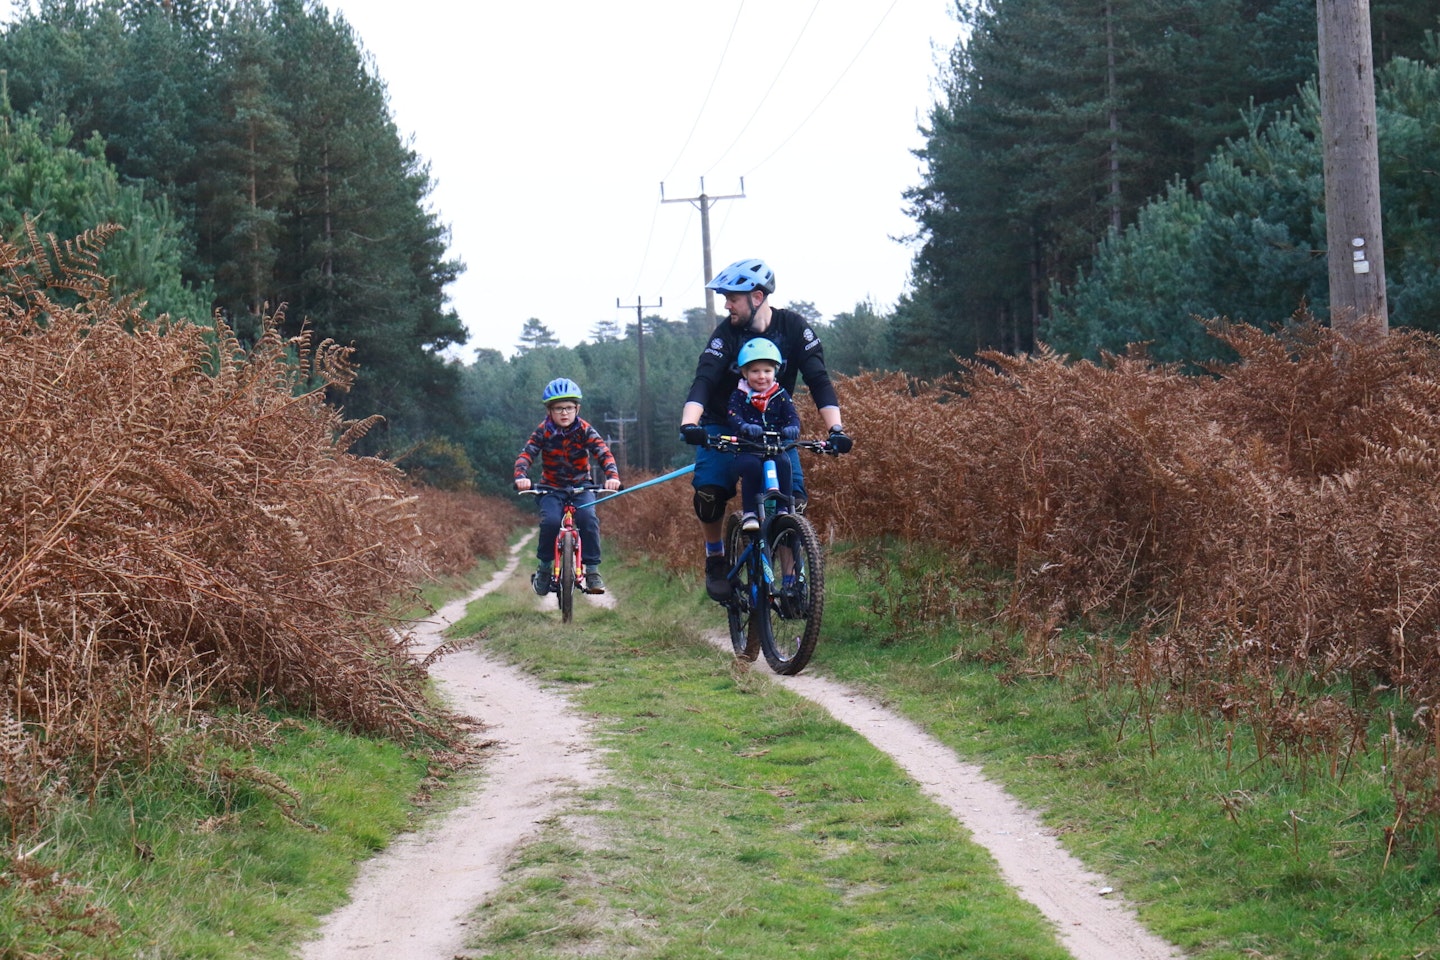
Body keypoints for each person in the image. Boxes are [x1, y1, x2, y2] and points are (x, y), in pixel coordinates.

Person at [678, 257, 853, 601]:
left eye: (732, 298)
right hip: (721, 423)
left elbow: (818, 380)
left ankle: (791, 581)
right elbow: (704, 380)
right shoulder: (725, 333)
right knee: (710, 494)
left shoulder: (793, 327)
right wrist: (690, 423)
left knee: (793, 503)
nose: (726, 305)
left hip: (772, 426)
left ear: (757, 297)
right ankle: (715, 558)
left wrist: (836, 430)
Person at [514, 377, 621, 595]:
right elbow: (527, 454)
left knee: (588, 518)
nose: (564, 413)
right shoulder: (543, 430)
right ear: (549, 411)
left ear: (577, 408)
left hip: (582, 487)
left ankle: (592, 571)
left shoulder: (584, 429)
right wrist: (521, 475)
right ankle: (544, 569)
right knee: (551, 521)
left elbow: (603, 452)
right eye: (559, 408)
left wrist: (612, 475)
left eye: (569, 408)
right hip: (551, 488)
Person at [725, 338, 801, 534]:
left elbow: (792, 416)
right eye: (755, 371)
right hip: (748, 449)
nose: (761, 376)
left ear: (775, 371)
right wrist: (744, 426)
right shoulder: (739, 395)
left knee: (784, 463)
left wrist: (792, 427)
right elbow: (733, 416)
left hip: (774, 447)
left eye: (767, 371)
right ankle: (750, 512)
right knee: (751, 467)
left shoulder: (780, 394)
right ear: (744, 372)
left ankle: (784, 509)